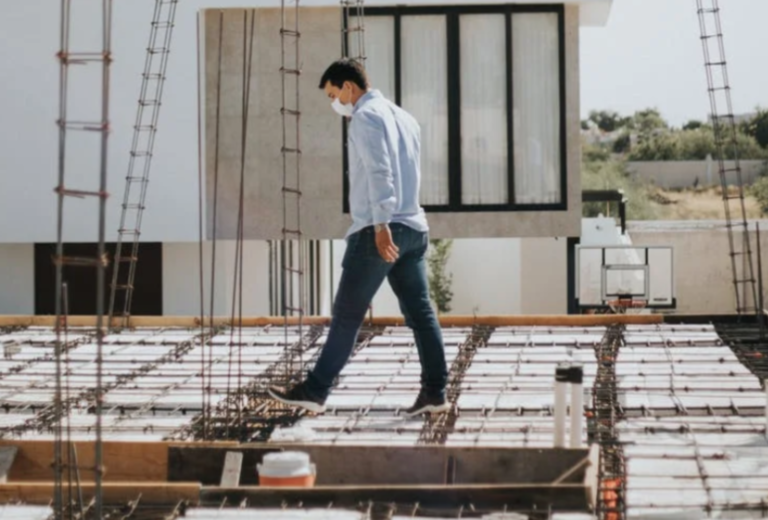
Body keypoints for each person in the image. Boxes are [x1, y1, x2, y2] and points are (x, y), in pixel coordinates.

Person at [268, 58, 449, 417]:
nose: (336, 103)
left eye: (335, 95)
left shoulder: (366, 118)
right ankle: (435, 392)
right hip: (414, 229)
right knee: (421, 313)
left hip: (379, 230)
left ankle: (314, 391)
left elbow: (381, 172)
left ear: (349, 87)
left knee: (347, 315)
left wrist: (381, 224)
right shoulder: (405, 117)